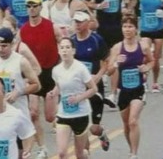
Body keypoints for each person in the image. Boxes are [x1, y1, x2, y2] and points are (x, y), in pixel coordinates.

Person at [108, 14, 153, 159]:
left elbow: (152, 61)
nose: (127, 30)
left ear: (136, 29)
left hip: (139, 89)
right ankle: (131, 149)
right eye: (125, 26)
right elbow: (109, 71)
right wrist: (116, 63)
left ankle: (134, 154)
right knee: (127, 125)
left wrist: (146, 68)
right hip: (123, 91)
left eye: (130, 26)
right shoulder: (117, 48)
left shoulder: (143, 46)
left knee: (133, 121)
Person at [19, 0, 59, 159]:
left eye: (34, 5)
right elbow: (19, 52)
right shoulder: (23, 30)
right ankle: (42, 148)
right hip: (34, 75)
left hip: (50, 72)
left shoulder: (51, 26)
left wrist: (62, 70)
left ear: (40, 7)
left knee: (50, 117)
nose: (32, 8)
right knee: (33, 113)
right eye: (28, 5)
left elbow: (64, 44)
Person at [47, 37, 97, 159]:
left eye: (68, 48)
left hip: (81, 114)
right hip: (64, 114)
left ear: (73, 51)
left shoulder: (80, 68)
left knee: (79, 154)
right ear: (58, 51)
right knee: (62, 153)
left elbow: (93, 89)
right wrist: (53, 93)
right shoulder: (56, 70)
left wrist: (79, 98)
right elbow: (59, 86)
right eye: (62, 48)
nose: (64, 51)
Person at [70, 9, 110, 152]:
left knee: (93, 128)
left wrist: (97, 77)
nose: (77, 25)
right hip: (78, 89)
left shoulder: (96, 40)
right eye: (75, 21)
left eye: (80, 22)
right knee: (82, 129)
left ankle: (101, 133)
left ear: (88, 23)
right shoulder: (72, 41)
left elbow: (106, 61)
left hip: (94, 88)